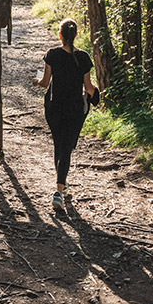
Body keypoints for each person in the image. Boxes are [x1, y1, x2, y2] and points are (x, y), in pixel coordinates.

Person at [32, 18, 98, 211]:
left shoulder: (52, 54)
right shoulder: (84, 58)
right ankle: (59, 191)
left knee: (59, 145)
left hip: (54, 108)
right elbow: (88, 88)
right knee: (67, 147)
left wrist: (36, 81)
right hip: (75, 109)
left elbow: (44, 83)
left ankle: (61, 184)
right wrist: (98, 93)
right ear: (76, 35)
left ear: (60, 35)